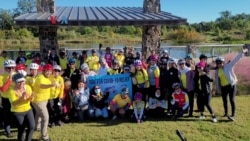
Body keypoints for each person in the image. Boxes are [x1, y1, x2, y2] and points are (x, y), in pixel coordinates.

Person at [214, 48, 248, 121]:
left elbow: (236, 59)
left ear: (223, 62)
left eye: (220, 63)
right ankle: (226, 113)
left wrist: (242, 52)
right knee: (224, 100)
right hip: (224, 87)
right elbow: (217, 81)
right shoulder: (216, 71)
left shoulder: (228, 66)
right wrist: (217, 89)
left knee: (231, 100)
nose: (219, 64)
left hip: (231, 86)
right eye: (218, 63)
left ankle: (233, 115)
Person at [7, 73, 35, 141]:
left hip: (28, 109)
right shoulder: (11, 91)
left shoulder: (28, 87)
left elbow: (30, 100)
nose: (21, 83)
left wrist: (32, 97)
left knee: (32, 126)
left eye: (22, 81)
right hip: (17, 112)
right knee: (21, 129)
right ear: (14, 82)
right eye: (19, 82)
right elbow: (14, 103)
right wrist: (21, 98)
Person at [32, 64, 57, 141]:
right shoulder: (40, 78)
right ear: (43, 71)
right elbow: (42, 86)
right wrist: (51, 85)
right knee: (45, 117)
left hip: (44, 100)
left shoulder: (48, 77)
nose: (49, 72)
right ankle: (44, 136)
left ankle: (36, 127)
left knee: (38, 115)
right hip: (38, 101)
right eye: (47, 71)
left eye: (50, 71)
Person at [0, 59, 16, 138]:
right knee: (7, 115)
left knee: (16, 114)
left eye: (12, 68)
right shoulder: (1, 77)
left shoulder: (17, 75)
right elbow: (3, 89)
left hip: (15, 98)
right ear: (5, 68)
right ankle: (7, 131)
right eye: (8, 68)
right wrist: (10, 79)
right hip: (6, 99)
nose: (11, 69)